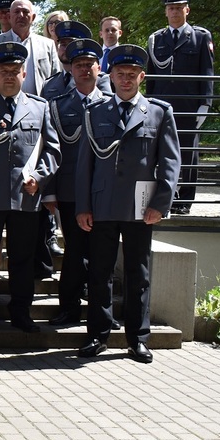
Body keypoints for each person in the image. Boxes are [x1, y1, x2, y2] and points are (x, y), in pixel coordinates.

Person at [77, 44, 180, 364]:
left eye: (132, 75)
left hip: (141, 205)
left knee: (138, 274)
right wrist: (82, 205)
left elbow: (170, 162)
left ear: (142, 77)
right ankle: (98, 334)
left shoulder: (159, 112)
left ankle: (138, 338)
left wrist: (160, 204)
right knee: (99, 273)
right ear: (111, 75)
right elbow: (85, 164)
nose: (125, 79)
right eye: (120, 74)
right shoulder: (95, 112)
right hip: (103, 203)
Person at [0, 41, 60, 334]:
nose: (9, 76)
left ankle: (21, 311)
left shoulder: (40, 107)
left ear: (24, 72)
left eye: (15, 71)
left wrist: (41, 178)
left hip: (25, 196)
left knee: (22, 258)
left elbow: (53, 151)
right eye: (4, 71)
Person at [42, 37, 112, 327]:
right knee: (73, 253)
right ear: (70, 69)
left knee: (101, 256)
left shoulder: (110, 105)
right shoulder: (58, 105)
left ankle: (101, 313)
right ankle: (68, 308)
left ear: (99, 68)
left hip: (104, 192)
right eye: (78, 65)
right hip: (70, 192)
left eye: (89, 65)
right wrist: (49, 193)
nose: (84, 70)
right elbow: (49, 150)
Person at [145, 0, 213, 214]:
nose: (174, 12)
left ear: (187, 10)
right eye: (170, 8)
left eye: (178, 8)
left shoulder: (201, 37)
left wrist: (205, 103)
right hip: (162, 106)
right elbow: (151, 75)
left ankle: (185, 201)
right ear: (166, 12)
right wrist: (149, 103)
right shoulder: (156, 39)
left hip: (188, 105)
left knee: (188, 153)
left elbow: (207, 71)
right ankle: (168, 197)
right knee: (162, 152)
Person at [0, 0, 60, 96]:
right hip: (4, 106)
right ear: (10, 17)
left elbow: (56, 80)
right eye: (17, 11)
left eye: (25, 11)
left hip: (39, 106)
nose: (21, 15)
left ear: (33, 17)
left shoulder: (48, 45)